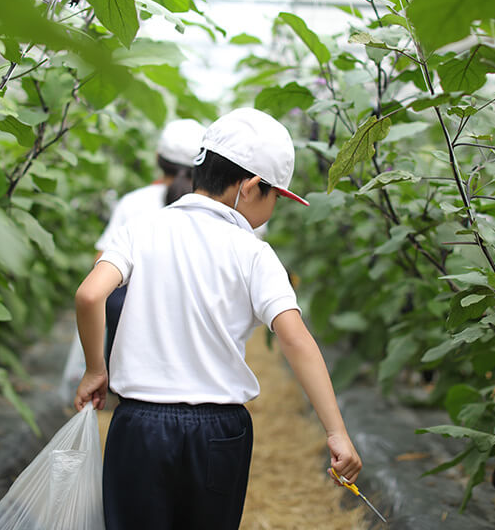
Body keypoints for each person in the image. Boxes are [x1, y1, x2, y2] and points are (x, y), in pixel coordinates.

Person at [73, 108, 362, 529]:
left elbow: (88, 295)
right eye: (276, 196)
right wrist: (336, 432)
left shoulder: (143, 228)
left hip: (139, 426)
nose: (274, 208)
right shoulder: (254, 253)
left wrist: (95, 369)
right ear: (249, 187)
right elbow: (296, 340)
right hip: (219, 432)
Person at [58, 119, 206, 401]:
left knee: (119, 300)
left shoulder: (134, 202)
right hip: (189, 317)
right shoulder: (209, 209)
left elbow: (100, 263)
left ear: (158, 159)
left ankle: (119, 389)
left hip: (128, 311)